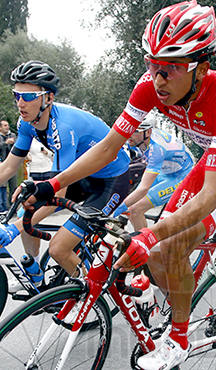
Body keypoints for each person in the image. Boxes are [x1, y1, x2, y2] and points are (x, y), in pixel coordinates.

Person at [17, 2, 216, 368]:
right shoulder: (150, 87)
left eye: (170, 68)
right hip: (213, 160)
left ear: (202, 68)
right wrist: (52, 184)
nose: (158, 79)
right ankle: (175, 289)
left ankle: (179, 338)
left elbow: (208, 196)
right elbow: (109, 147)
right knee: (158, 253)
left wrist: (152, 237)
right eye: (151, 65)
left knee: (167, 243)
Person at [0, 60, 130, 292]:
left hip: (111, 181)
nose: (20, 102)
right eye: (17, 95)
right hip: (84, 175)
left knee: (59, 248)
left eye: (28, 97)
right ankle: (35, 276)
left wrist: (14, 229)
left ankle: (90, 296)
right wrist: (20, 222)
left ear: (48, 98)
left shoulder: (62, 126)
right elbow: (9, 167)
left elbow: (57, 192)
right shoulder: (26, 122)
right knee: (25, 207)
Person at [114, 111, 194, 230]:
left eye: (136, 131)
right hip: (164, 172)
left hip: (183, 175)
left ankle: (144, 246)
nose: (130, 134)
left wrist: (116, 210)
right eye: (130, 129)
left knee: (134, 209)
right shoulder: (137, 139)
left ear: (148, 132)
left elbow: (144, 188)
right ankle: (140, 240)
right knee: (130, 208)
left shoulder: (156, 149)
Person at [0, 120, 17, 208]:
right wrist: (5, 143)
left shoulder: (12, 135)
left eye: (8, 125)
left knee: (13, 187)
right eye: (5, 125)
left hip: (12, 165)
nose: (7, 127)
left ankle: (13, 207)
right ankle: (3, 207)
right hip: (2, 164)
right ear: (0, 128)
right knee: (2, 186)